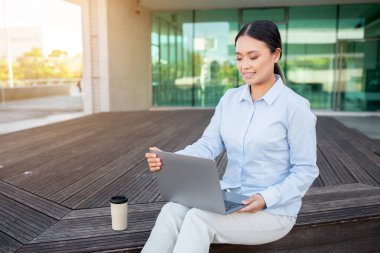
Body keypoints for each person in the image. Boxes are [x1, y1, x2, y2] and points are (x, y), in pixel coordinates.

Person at [142, 20, 319, 253]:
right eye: (239, 58)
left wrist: (265, 198)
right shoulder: (230, 99)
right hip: (229, 199)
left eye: (253, 57)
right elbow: (209, 144)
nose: (244, 65)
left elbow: (305, 170)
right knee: (171, 210)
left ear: (276, 55)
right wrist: (169, 158)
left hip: (274, 211)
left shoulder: (295, 107)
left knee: (198, 219)